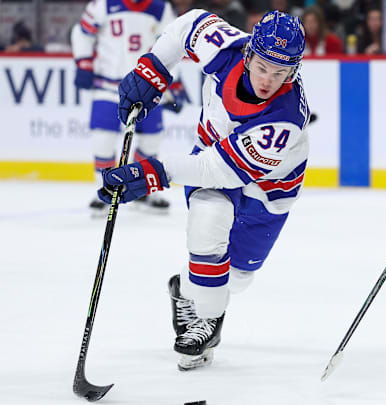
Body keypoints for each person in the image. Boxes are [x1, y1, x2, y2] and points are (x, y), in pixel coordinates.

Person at [98, 10, 308, 370]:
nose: (267, 80)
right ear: (248, 54)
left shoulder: (284, 119)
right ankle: (206, 322)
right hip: (213, 161)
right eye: (262, 67)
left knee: (238, 278)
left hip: (268, 188)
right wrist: (154, 68)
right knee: (207, 228)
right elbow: (186, 26)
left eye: (280, 73)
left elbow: (221, 170)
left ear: (293, 72)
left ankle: (187, 288)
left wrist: (155, 172)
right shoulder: (224, 48)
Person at [71, 0, 182, 216]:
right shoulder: (102, 4)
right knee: (102, 139)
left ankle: (142, 190)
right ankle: (105, 189)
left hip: (147, 87)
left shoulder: (161, 8)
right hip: (107, 85)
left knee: (152, 140)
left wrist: (171, 84)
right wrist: (83, 62)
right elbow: (81, 33)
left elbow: (171, 47)